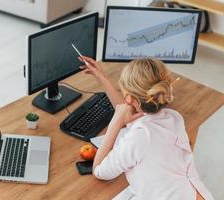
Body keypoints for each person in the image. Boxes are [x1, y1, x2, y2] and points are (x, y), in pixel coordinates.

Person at [79, 56, 214, 200]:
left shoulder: (139, 137)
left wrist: (115, 123)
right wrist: (102, 77)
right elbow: (132, 115)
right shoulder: (174, 117)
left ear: (129, 99)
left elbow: (99, 171)